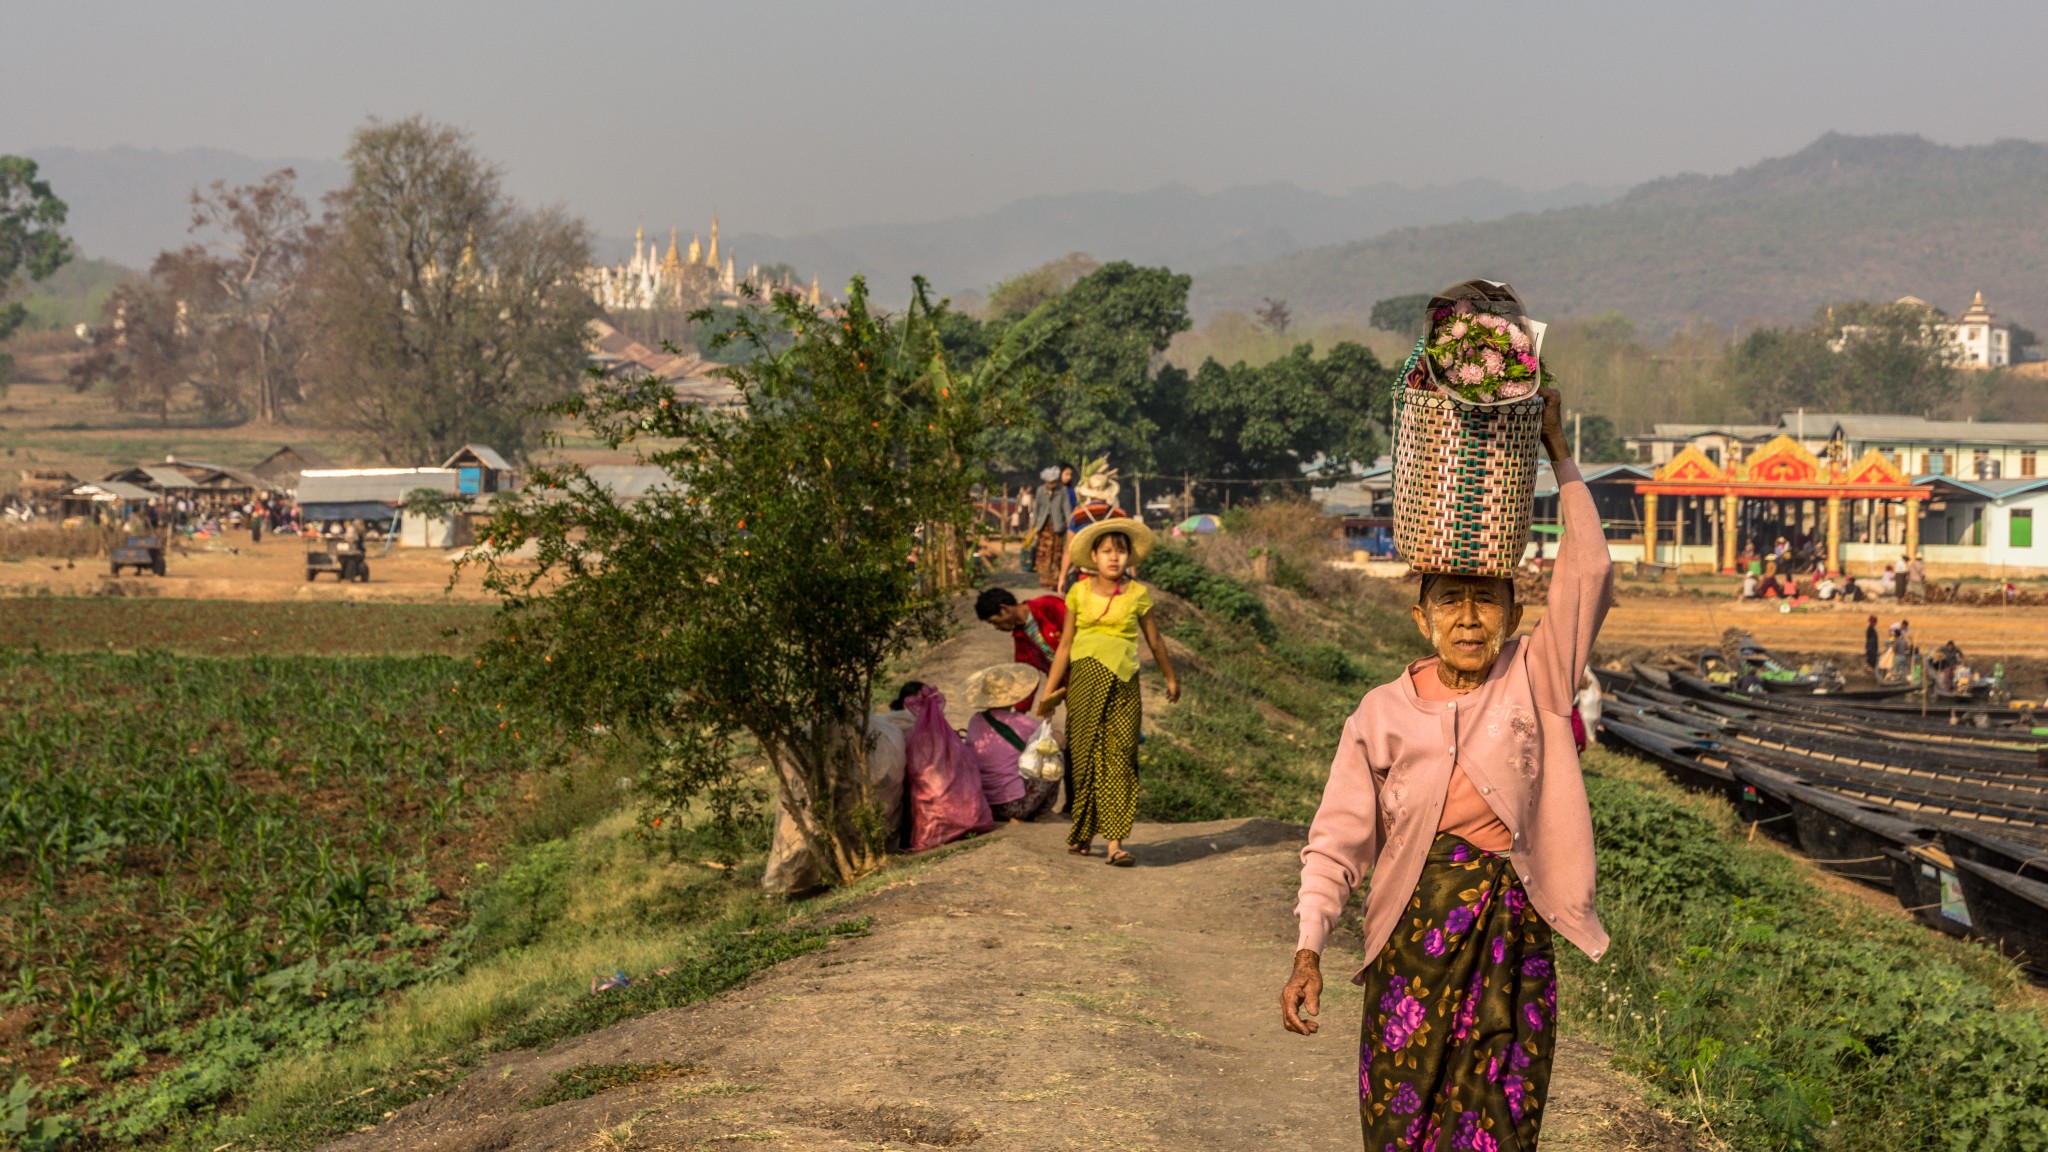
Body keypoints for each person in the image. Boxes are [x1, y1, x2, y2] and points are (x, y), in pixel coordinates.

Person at [1283, 387, 1609, 1152]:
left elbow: (1588, 573)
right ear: (1421, 618)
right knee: (1402, 1123)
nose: (1469, 618)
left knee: (1501, 1121)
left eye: (1486, 601)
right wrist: (1308, 948)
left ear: (1513, 613)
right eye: (1451, 602)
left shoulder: (1538, 677)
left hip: (1513, 943)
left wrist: (1559, 455)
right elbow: (1336, 844)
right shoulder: (1380, 715)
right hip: (1412, 945)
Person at [1038, 517, 1180, 866]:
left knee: (1120, 758)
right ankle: (1083, 830)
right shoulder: (1078, 592)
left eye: (1120, 551)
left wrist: (1171, 678)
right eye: (1106, 552)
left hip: (1124, 685)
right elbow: (1066, 644)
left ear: (1129, 557)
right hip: (1084, 683)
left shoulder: (1137, 594)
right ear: (1094, 557)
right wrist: (1050, 690)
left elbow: (1155, 640)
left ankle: (1115, 843)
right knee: (1084, 755)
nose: (1114, 558)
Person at [962, 664, 1061, 823]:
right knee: (1054, 757)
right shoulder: (1021, 722)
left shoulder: (975, 720)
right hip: (1015, 805)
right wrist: (1048, 719)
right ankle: (1043, 811)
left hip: (984, 804)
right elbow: (1053, 741)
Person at [974, 586, 1068, 676]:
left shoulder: (1048, 604)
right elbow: (1024, 674)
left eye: (994, 622)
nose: (996, 627)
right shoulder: (1020, 640)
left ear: (1004, 609)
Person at [1025, 467, 1066, 590]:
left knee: (1056, 553)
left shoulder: (1062, 491)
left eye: (1053, 482)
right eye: (1048, 482)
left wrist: (1069, 523)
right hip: (1043, 527)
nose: (1050, 485)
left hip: (1057, 526)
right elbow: (1036, 509)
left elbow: (1066, 507)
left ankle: (1055, 580)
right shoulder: (1040, 491)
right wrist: (1032, 526)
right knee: (1043, 552)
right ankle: (1044, 579)